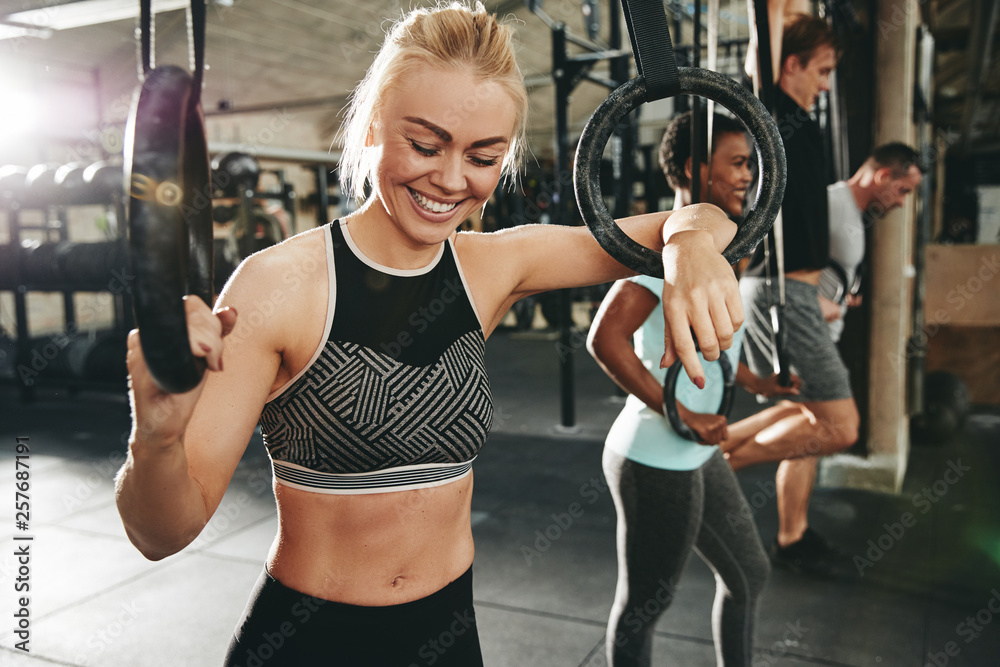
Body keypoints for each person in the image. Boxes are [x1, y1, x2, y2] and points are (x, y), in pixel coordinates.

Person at [113, 3, 745, 665]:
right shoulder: (277, 285)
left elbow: (711, 216)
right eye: (424, 143)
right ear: (372, 127)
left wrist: (691, 241)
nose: (449, 179)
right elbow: (162, 532)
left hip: (448, 638)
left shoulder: (492, 266)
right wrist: (154, 439)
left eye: (482, 156)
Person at [587, 110, 799, 667]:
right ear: (691, 169)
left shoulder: (719, 251)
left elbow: (714, 352)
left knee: (749, 573)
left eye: (750, 163)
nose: (748, 175)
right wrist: (680, 410)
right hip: (654, 454)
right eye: (736, 163)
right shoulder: (665, 250)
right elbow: (604, 340)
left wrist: (760, 382)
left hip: (695, 449)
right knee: (644, 607)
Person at [735, 12, 854, 576]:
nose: (827, 82)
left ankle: (793, 533)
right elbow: (767, 25)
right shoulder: (771, 111)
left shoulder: (802, 118)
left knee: (802, 408)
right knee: (841, 426)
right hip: (782, 292)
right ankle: (717, 459)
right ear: (790, 65)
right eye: (822, 70)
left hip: (792, 291)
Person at [818, 142, 924, 342]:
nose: (902, 202)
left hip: (822, 338)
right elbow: (770, 253)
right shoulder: (832, 203)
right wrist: (814, 301)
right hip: (804, 339)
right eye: (903, 190)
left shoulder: (855, 213)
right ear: (883, 176)